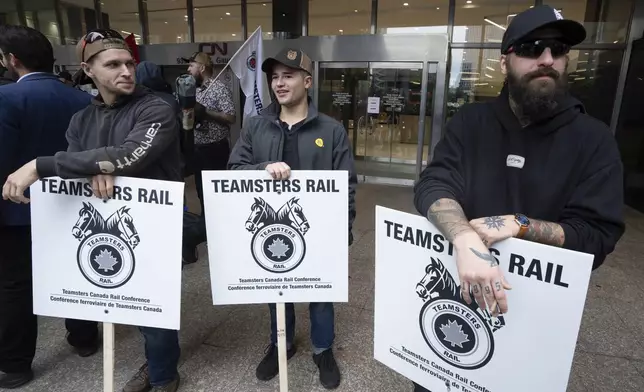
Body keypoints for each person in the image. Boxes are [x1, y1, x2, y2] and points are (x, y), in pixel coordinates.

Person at [411, 5, 625, 392]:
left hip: (533, 321)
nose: (547, 59)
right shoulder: (470, 123)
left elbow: (596, 236)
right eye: (532, 47)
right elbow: (433, 184)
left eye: (557, 50)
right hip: (456, 299)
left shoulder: (594, 141)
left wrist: (518, 224)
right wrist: (463, 237)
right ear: (505, 58)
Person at [1, 28, 182, 392]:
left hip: (151, 227)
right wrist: (96, 169)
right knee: (114, 297)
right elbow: (79, 165)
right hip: (100, 224)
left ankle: (163, 374)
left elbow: (129, 156)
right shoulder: (81, 119)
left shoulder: (157, 109)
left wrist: (40, 165)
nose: (127, 71)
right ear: (88, 70)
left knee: (152, 307)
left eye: (130, 63)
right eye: (113, 64)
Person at [228, 47, 357, 390]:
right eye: (274, 77)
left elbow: (347, 185)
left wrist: (342, 230)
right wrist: (262, 169)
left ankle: (322, 349)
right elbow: (234, 170)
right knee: (277, 287)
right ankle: (281, 342)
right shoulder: (256, 127)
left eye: (288, 75)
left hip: (318, 231)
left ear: (308, 81)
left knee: (321, 291)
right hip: (272, 229)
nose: (279, 83)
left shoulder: (330, 130)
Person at [0, 24, 93, 389]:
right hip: (72, 205)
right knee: (75, 271)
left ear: (12, 60)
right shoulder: (82, 99)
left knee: (15, 286)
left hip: (17, 209)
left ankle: (16, 364)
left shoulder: (7, 99)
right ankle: (84, 338)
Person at [182, 51, 236, 214]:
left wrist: (205, 112)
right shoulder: (192, 90)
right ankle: (205, 226)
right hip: (197, 148)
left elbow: (231, 117)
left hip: (215, 150)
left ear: (202, 67)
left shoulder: (219, 89)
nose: (188, 69)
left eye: (191, 65)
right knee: (201, 190)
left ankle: (219, 226)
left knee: (216, 192)